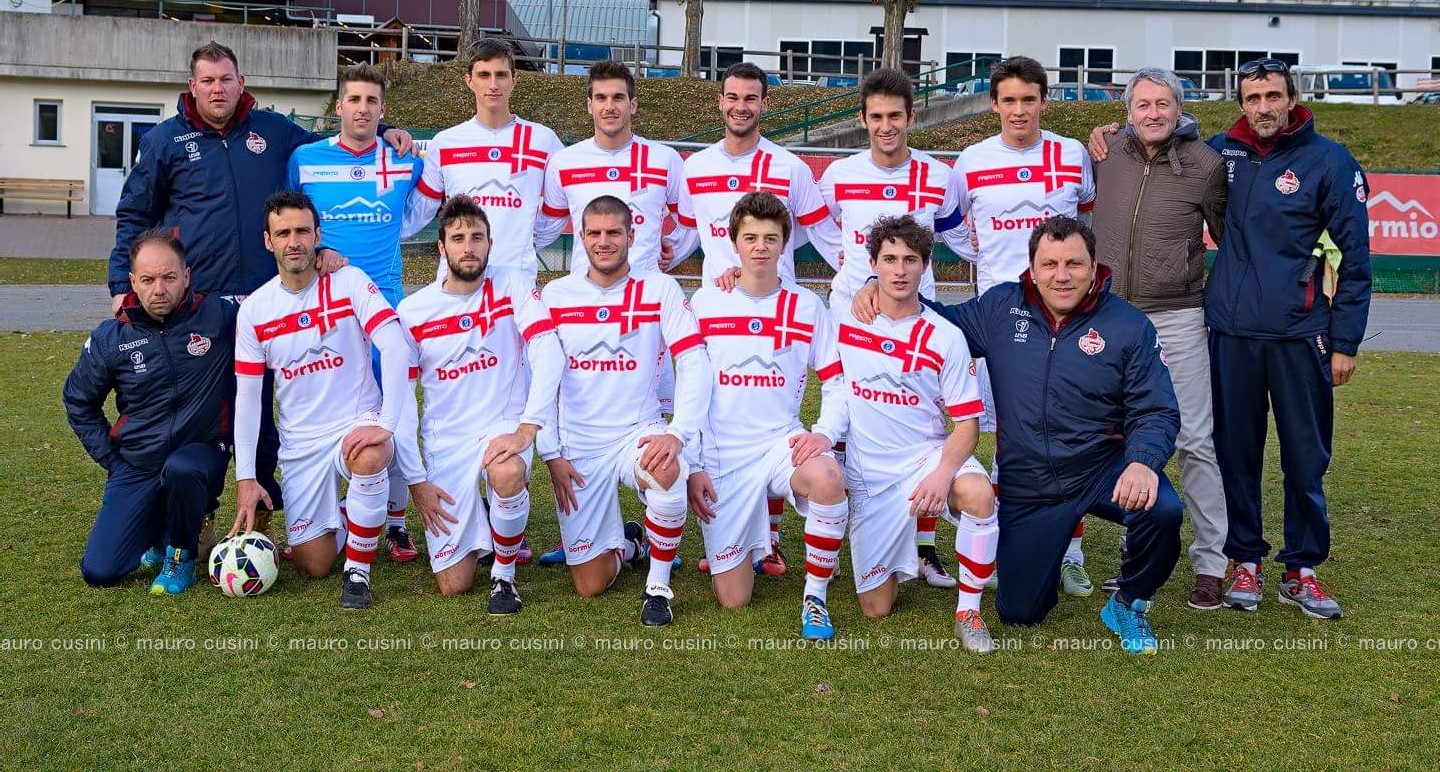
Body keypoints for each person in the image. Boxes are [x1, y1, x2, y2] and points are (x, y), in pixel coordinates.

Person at [107, 41, 413, 518]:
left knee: (273, 407)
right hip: (200, 301)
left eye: (226, 79)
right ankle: (197, 514)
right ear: (192, 86)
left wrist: (384, 131)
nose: (218, 89)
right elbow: (134, 214)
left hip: (268, 298)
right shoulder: (165, 141)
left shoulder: (271, 130)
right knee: (202, 410)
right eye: (208, 80)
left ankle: (264, 511)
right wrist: (120, 284)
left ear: (241, 83)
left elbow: (335, 141)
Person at [859, 216, 1182, 654]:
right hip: (1030, 482)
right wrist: (875, 286)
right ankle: (1044, 559)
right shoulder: (1001, 308)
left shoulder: (1128, 325)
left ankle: (1129, 601)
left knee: (1162, 510)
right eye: (1049, 264)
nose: (1061, 276)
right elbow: (938, 321)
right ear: (1032, 269)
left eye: (1074, 264)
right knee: (1020, 611)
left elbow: (1156, 408)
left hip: (1101, 467)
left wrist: (1142, 462)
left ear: (1094, 267)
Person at [1203, 59, 1371, 619]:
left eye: (1273, 96)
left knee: (1305, 456)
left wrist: (1345, 342)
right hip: (1232, 334)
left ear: (1292, 99)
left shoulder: (1329, 160)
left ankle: (1302, 569)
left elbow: (1355, 261)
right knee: (1236, 454)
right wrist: (1111, 134)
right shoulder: (1220, 153)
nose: (1263, 107)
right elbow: (1162, 145)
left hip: (1302, 334)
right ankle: (1244, 559)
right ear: (1241, 104)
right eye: (1253, 98)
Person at [677, 61, 845, 575]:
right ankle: (731, 539)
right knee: (723, 410)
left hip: (780, 307)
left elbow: (826, 235)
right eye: (732, 96)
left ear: (765, 104)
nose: (741, 106)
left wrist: (867, 280)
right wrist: (654, 264)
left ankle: (769, 540)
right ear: (720, 101)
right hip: (720, 307)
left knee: (775, 409)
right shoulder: (695, 167)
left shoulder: (791, 168)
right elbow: (685, 235)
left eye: (751, 97)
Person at [229, 191, 422, 610]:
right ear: (268, 241)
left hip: (356, 421)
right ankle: (355, 512)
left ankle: (358, 572)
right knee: (312, 564)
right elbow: (248, 399)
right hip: (301, 443)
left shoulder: (349, 281)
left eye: (302, 231)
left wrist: (386, 424)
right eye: (283, 233)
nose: (293, 241)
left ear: (318, 235)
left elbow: (394, 346)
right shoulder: (255, 311)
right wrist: (245, 478)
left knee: (369, 456)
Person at [818, 67, 973, 590]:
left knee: (922, 419)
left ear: (911, 116)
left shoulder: (938, 176)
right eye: (877, 116)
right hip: (853, 313)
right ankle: (845, 531)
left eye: (896, 116)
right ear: (863, 119)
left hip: (915, 313)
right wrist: (860, 279)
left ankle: (924, 548)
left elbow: (957, 237)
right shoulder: (838, 175)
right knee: (851, 416)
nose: (887, 126)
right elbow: (819, 231)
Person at [953, 55, 1099, 594]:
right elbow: (950, 225)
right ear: (994, 104)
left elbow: (1085, 221)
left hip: (1065, 319)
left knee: (1069, 435)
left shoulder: (1071, 154)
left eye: (1029, 100)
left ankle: (1071, 552)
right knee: (1008, 438)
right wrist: (979, 253)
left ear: (1044, 101)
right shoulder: (970, 161)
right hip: (1003, 321)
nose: (1019, 110)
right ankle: (1000, 544)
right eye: (1009, 100)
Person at [1085, 67, 1231, 610]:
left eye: (1162, 104)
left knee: (1194, 439)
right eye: (1142, 104)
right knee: (1121, 439)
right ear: (1127, 111)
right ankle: (1135, 554)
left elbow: (1229, 236)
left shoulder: (1205, 165)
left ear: (1178, 108)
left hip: (1177, 315)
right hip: (1112, 316)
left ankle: (1211, 562)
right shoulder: (1103, 154)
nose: (1153, 113)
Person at [538, 196, 712, 627]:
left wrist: (679, 433)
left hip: (637, 432)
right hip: (578, 446)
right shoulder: (556, 295)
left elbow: (694, 359)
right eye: (595, 233)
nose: (604, 242)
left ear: (632, 236)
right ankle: (633, 545)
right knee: (590, 584)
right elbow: (539, 380)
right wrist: (551, 453)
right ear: (581, 238)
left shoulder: (659, 289)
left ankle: (658, 586)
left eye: (614, 232)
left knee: (667, 469)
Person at [684, 192, 849, 639]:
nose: (760, 247)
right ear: (733, 242)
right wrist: (694, 464)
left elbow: (836, 381)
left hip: (780, 443)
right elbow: (687, 392)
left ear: (784, 243)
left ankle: (815, 597)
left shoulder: (807, 305)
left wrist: (824, 432)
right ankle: (749, 547)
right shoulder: (705, 303)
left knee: (828, 478)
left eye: (771, 238)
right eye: (751, 237)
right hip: (723, 456)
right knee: (733, 598)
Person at [833, 215, 998, 653]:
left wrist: (942, 475)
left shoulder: (946, 336)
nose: (900, 270)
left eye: (910, 260)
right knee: (876, 608)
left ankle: (969, 611)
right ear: (873, 265)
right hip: (870, 473)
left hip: (926, 457)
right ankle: (903, 545)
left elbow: (967, 425)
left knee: (979, 495)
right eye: (889, 260)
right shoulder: (846, 322)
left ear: (926, 266)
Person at [288, 62, 431, 564]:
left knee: (394, 410)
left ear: (383, 109)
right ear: (339, 106)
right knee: (325, 407)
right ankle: (328, 514)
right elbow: (292, 223)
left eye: (372, 101)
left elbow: (441, 179)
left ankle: (395, 522)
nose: (363, 109)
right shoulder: (305, 159)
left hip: (385, 307)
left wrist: (399, 137)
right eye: (354, 100)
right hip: (325, 307)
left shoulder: (404, 159)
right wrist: (318, 250)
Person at [396, 196, 563, 614]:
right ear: (441, 247)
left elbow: (548, 350)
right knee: (453, 585)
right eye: (458, 239)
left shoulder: (512, 285)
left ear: (490, 243)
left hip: (500, 428)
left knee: (507, 473)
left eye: (477, 237)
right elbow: (401, 402)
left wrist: (526, 429)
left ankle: (504, 575)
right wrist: (416, 482)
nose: (468, 247)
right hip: (447, 442)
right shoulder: (413, 311)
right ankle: (490, 527)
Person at [65, 230, 239, 595]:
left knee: (183, 467)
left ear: (186, 276)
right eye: (148, 280)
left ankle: (181, 555)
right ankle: (159, 533)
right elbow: (78, 400)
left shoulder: (220, 316)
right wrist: (112, 458)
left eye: (169, 277)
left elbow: (277, 308)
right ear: (133, 282)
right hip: (137, 462)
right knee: (100, 571)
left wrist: (322, 263)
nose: (159, 289)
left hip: (201, 454)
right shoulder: (112, 337)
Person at [415, 38, 565, 279]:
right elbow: (420, 211)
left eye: (501, 75)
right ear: (469, 81)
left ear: (514, 80)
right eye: (484, 75)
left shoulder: (544, 140)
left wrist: (527, 242)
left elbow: (561, 206)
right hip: (457, 281)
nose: (493, 85)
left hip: (516, 281)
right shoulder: (445, 142)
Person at [540, 59, 696, 275]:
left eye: (618, 98)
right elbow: (548, 226)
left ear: (633, 105)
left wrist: (672, 251)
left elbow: (691, 222)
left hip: (645, 289)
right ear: (590, 105)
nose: (609, 107)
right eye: (601, 98)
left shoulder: (665, 159)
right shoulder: (564, 162)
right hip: (585, 288)